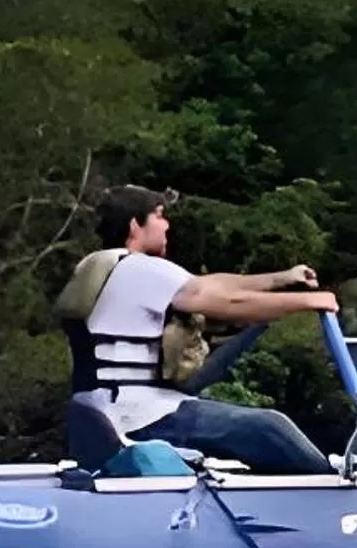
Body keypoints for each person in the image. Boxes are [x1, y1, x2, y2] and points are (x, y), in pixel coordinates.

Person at [58, 186, 338, 475]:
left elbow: (210, 284)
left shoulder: (107, 266)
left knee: (250, 431)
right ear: (134, 224)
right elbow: (226, 300)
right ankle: (335, 490)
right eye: (159, 216)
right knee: (268, 427)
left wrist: (282, 278)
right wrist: (309, 301)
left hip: (111, 412)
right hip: (142, 415)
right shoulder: (139, 268)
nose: (167, 224)